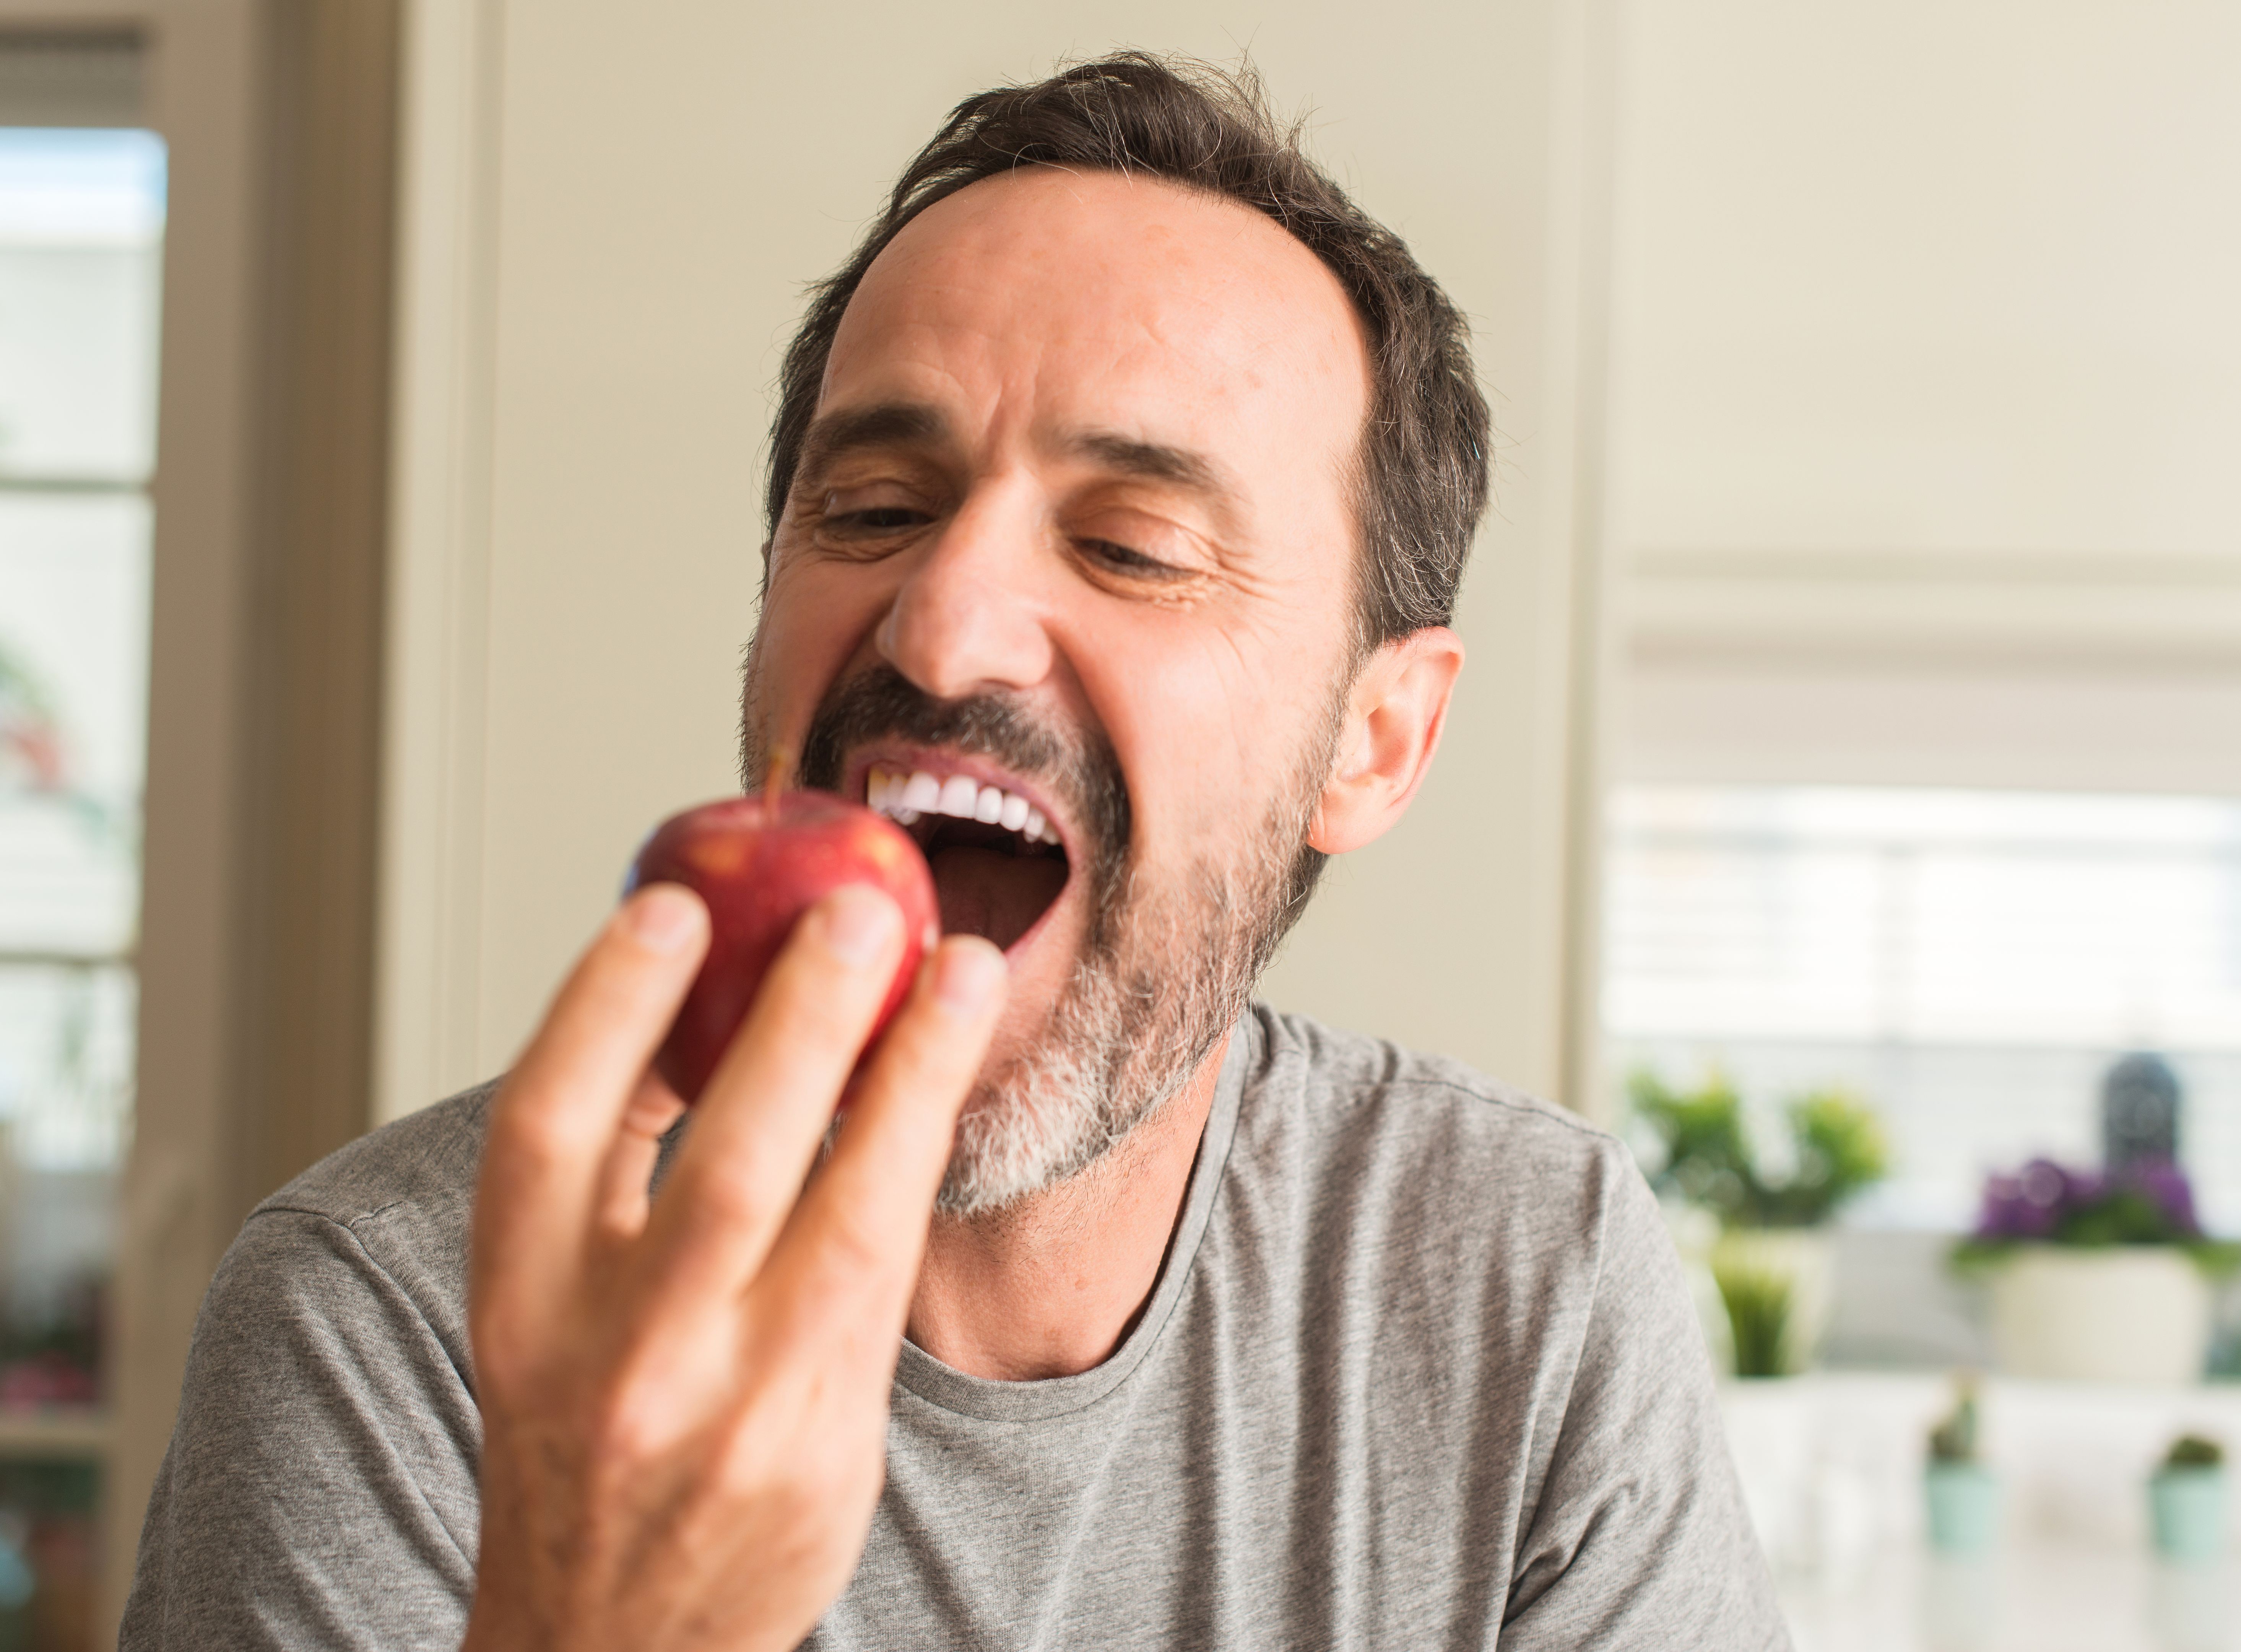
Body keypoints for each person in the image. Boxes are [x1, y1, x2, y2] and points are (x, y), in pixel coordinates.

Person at [122, 54, 1786, 1650]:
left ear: (1376, 740)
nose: (942, 624)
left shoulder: (1523, 1282)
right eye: (869, 511)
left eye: (1132, 546)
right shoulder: (392, 1322)